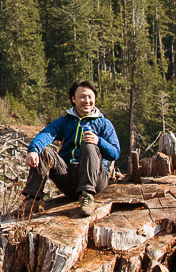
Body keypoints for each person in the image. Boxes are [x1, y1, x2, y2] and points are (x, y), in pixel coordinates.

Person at [24, 81, 122, 213]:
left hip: (96, 179)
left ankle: (87, 196)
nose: (87, 101)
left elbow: (115, 153)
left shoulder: (103, 123)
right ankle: (32, 200)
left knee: (89, 143)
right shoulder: (65, 122)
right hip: (69, 178)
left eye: (90, 97)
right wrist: (33, 151)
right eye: (82, 97)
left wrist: (98, 141)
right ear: (73, 99)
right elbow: (46, 135)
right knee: (44, 151)